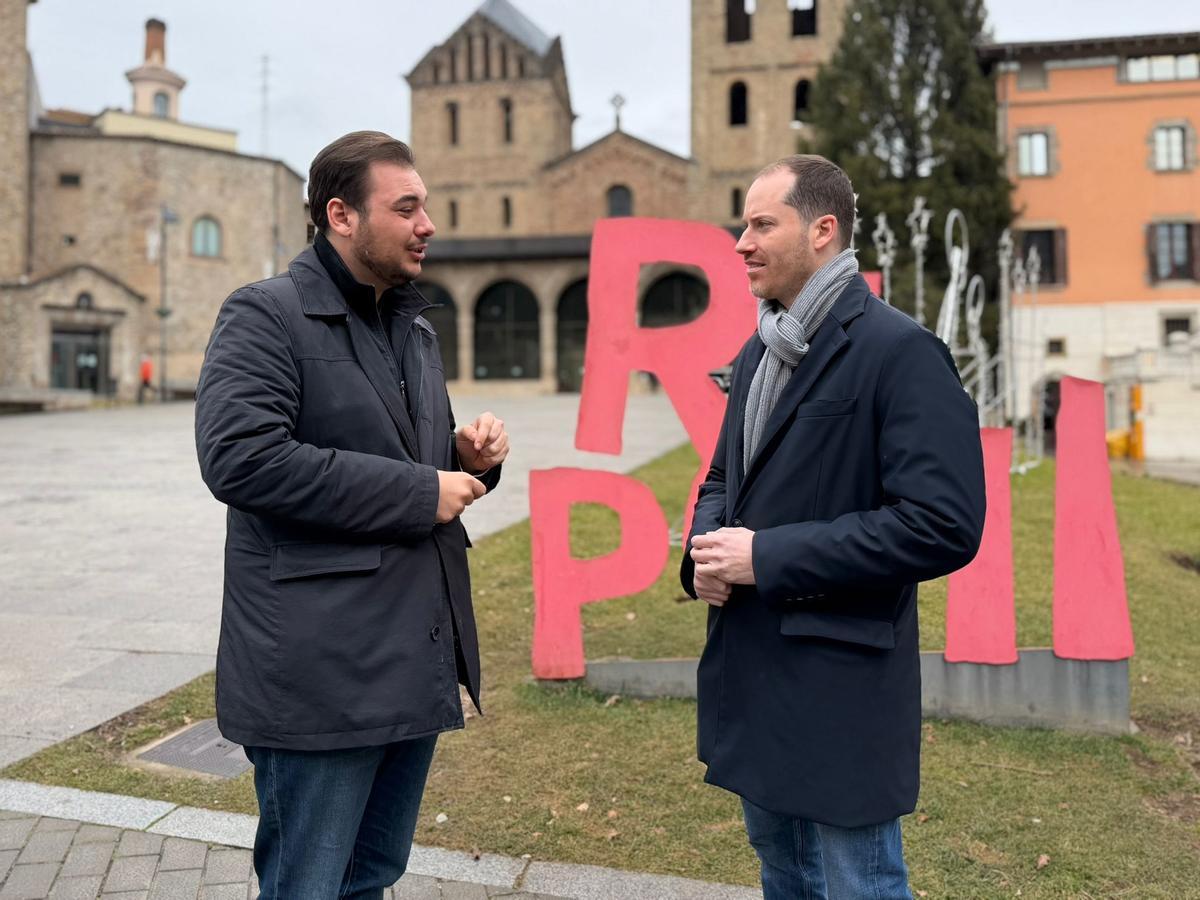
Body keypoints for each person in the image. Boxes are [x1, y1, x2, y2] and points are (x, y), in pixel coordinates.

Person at [194, 131, 509, 899]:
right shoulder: (264, 315)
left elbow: (410, 455)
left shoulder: (413, 327)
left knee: (370, 878)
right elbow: (240, 459)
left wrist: (466, 460)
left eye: (425, 205)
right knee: (309, 884)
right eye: (406, 207)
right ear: (340, 214)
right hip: (320, 678)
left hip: (410, 661)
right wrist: (419, 492)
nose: (427, 223)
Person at [680, 155, 986, 899]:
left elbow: (943, 524)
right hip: (754, 669)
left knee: (858, 885)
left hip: (838, 684)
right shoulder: (760, 350)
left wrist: (767, 556)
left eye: (760, 224)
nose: (740, 243)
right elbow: (726, 477)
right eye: (740, 224)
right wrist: (706, 555)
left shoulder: (901, 351)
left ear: (822, 231)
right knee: (783, 876)